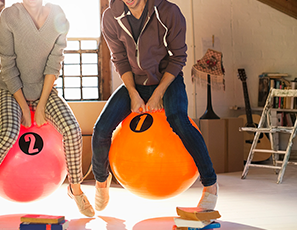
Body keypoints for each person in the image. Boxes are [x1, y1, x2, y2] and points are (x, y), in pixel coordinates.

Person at [0, 0, 95, 227]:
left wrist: (41, 105)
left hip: (45, 92)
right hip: (10, 91)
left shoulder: (58, 15)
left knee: (72, 130)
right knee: (9, 133)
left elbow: (54, 63)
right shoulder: (9, 16)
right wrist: (24, 107)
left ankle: (76, 189)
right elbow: (7, 65)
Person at [92, 0, 218, 212]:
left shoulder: (168, 12)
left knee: (178, 119)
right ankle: (101, 182)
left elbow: (178, 58)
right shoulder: (110, 17)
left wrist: (159, 92)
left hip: (168, 80)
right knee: (101, 128)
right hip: (135, 82)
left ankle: (210, 184)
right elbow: (120, 59)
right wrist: (133, 93)